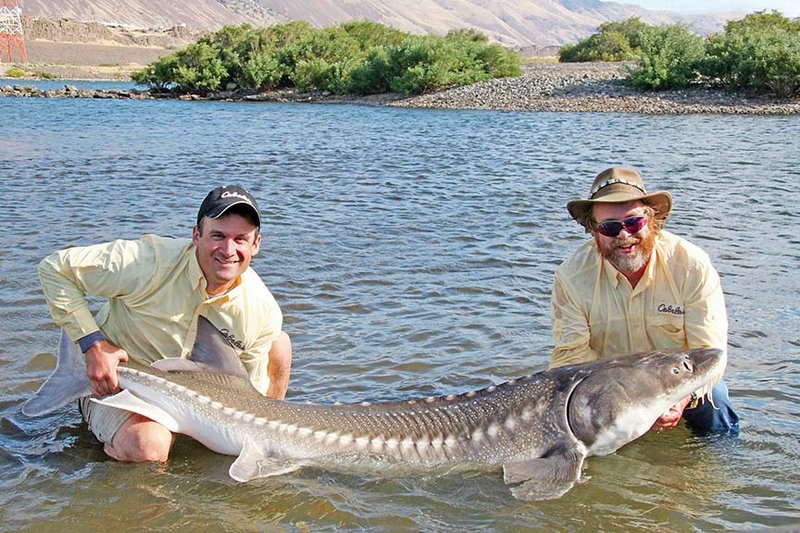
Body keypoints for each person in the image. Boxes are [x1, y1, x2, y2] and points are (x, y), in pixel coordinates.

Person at [38, 185, 293, 461]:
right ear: (196, 235)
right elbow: (55, 269)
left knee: (279, 344)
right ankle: (108, 448)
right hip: (116, 382)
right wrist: (92, 345)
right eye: (217, 235)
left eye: (240, 239)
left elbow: (248, 391)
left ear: (256, 244)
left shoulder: (261, 309)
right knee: (149, 444)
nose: (228, 250)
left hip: (194, 397)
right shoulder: (149, 263)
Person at [550, 167, 738, 433]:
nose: (624, 235)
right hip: (611, 390)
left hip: (678, 383)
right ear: (593, 231)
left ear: (652, 221)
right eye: (610, 227)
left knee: (717, 402)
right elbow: (571, 362)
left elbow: (709, 352)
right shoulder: (571, 277)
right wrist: (625, 405)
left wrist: (680, 398)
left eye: (634, 222)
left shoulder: (692, 266)